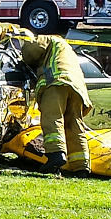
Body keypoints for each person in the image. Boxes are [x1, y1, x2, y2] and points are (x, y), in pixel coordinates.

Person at [20, 35, 92, 176]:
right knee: (74, 125)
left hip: (56, 82)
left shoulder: (49, 39)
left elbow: (32, 50)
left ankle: (56, 155)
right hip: (76, 88)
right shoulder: (67, 49)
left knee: (52, 118)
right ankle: (81, 166)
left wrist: (24, 60)